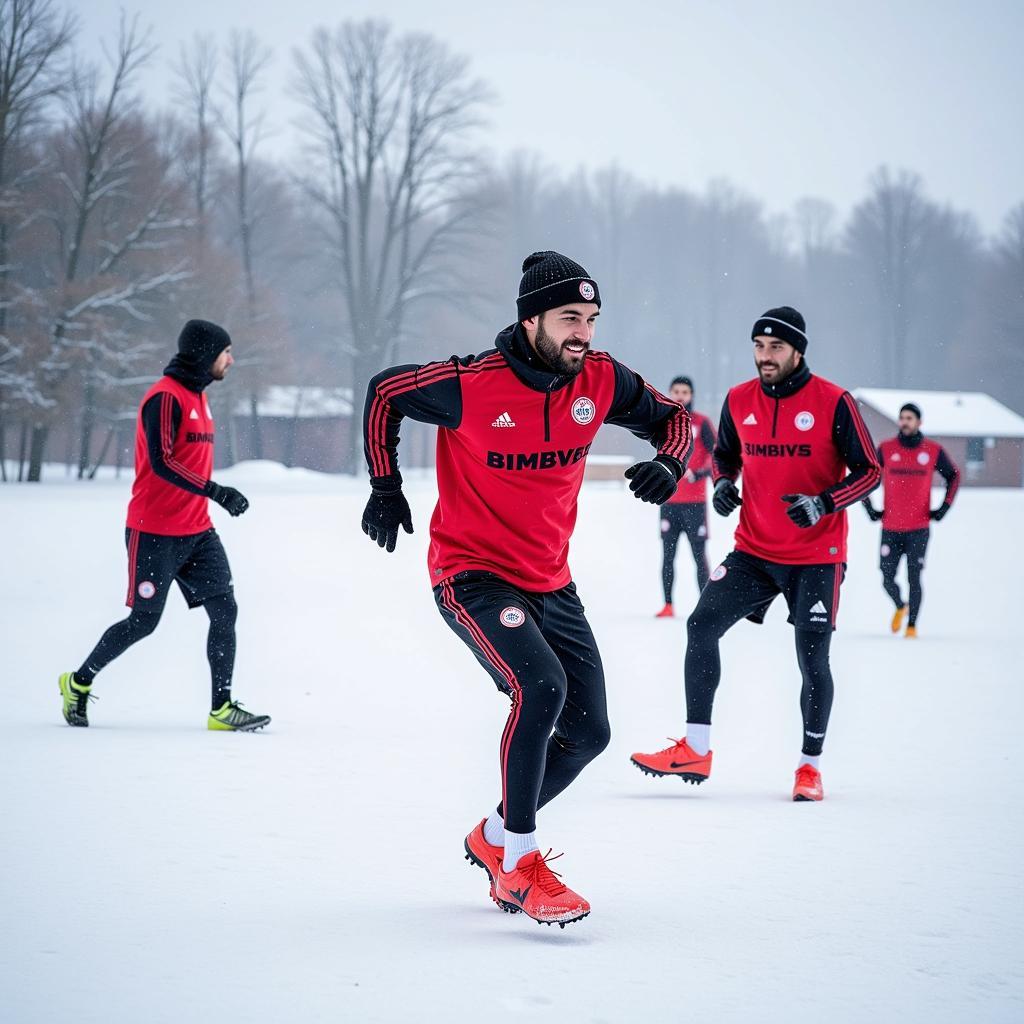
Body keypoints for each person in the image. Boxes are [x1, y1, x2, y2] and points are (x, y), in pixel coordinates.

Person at [361, 251, 691, 926]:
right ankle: (517, 865)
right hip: (472, 574)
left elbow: (675, 418)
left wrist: (669, 461)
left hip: (551, 580)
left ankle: (493, 835)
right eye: (570, 317)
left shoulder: (599, 379)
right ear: (531, 317)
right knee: (540, 688)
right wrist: (385, 485)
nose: (584, 333)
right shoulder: (469, 382)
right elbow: (385, 392)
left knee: (591, 731)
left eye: (592, 319)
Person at [631, 306, 880, 802]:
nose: (765, 358)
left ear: (798, 351)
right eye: (758, 348)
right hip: (754, 550)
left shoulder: (834, 402)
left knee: (812, 660)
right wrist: (724, 483)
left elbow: (870, 471)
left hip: (817, 555)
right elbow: (726, 454)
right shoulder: (739, 399)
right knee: (701, 625)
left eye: (776, 348)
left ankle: (809, 768)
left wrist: (825, 502)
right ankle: (695, 748)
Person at [58, 320, 270, 732]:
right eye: (226, 351)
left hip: (198, 532)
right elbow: (162, 462)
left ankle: (221, 708)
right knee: (144, 622)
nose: (232, 359)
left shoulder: (199, 397)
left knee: (225, 610)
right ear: (206, 353)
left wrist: (209, 499)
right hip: (153, 532)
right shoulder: (164, 398)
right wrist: (217, 491)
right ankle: (79, 682)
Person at [862, 402, 960, 637]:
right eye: (902, 418)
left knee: (914, 577)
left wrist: (944, 508)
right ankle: (900, 605)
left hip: (919, 528)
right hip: (891, 528)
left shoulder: (932, 451)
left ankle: (912, 626)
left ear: (919, 422)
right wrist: (870, 508)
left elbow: (953, 476)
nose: (905, 422)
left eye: (909, 418)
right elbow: (865, 475)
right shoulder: (886, 449)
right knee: (886, 577)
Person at [655, 376, 717, 617]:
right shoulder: (663, 422)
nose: (680, 396)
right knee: (668, 556)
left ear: (691, 395)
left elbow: (718, 456)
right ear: (670, 392)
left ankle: (705, 607)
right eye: (676, 391)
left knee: (698, 557)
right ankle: (668, 605)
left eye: (685, 392)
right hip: (669, 502)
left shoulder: (702, 423)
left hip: (695, 504)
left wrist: (699, 472)